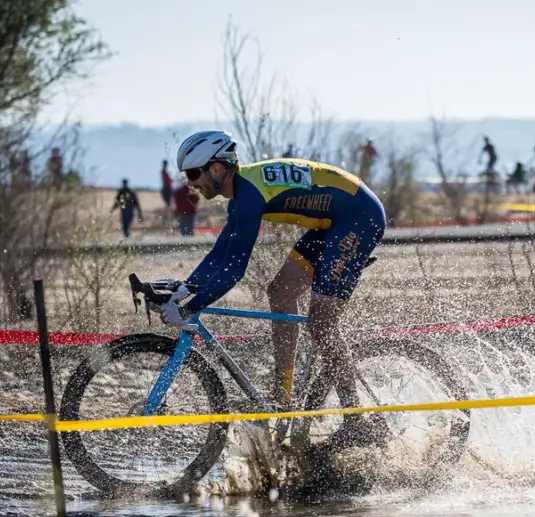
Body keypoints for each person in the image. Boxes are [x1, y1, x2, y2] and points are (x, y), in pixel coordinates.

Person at [164, 130, 388, 443]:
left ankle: (356, 418)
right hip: (336, 219)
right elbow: (221, 253)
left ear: (216, 169)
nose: (190, 182)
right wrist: (186, 287)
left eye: (193, 173)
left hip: (358, 217)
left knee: (321, 322)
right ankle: (284, 397)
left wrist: (190, 307)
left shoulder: (249, 197)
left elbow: (234, 269)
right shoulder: (243, 195)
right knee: (280, 292)